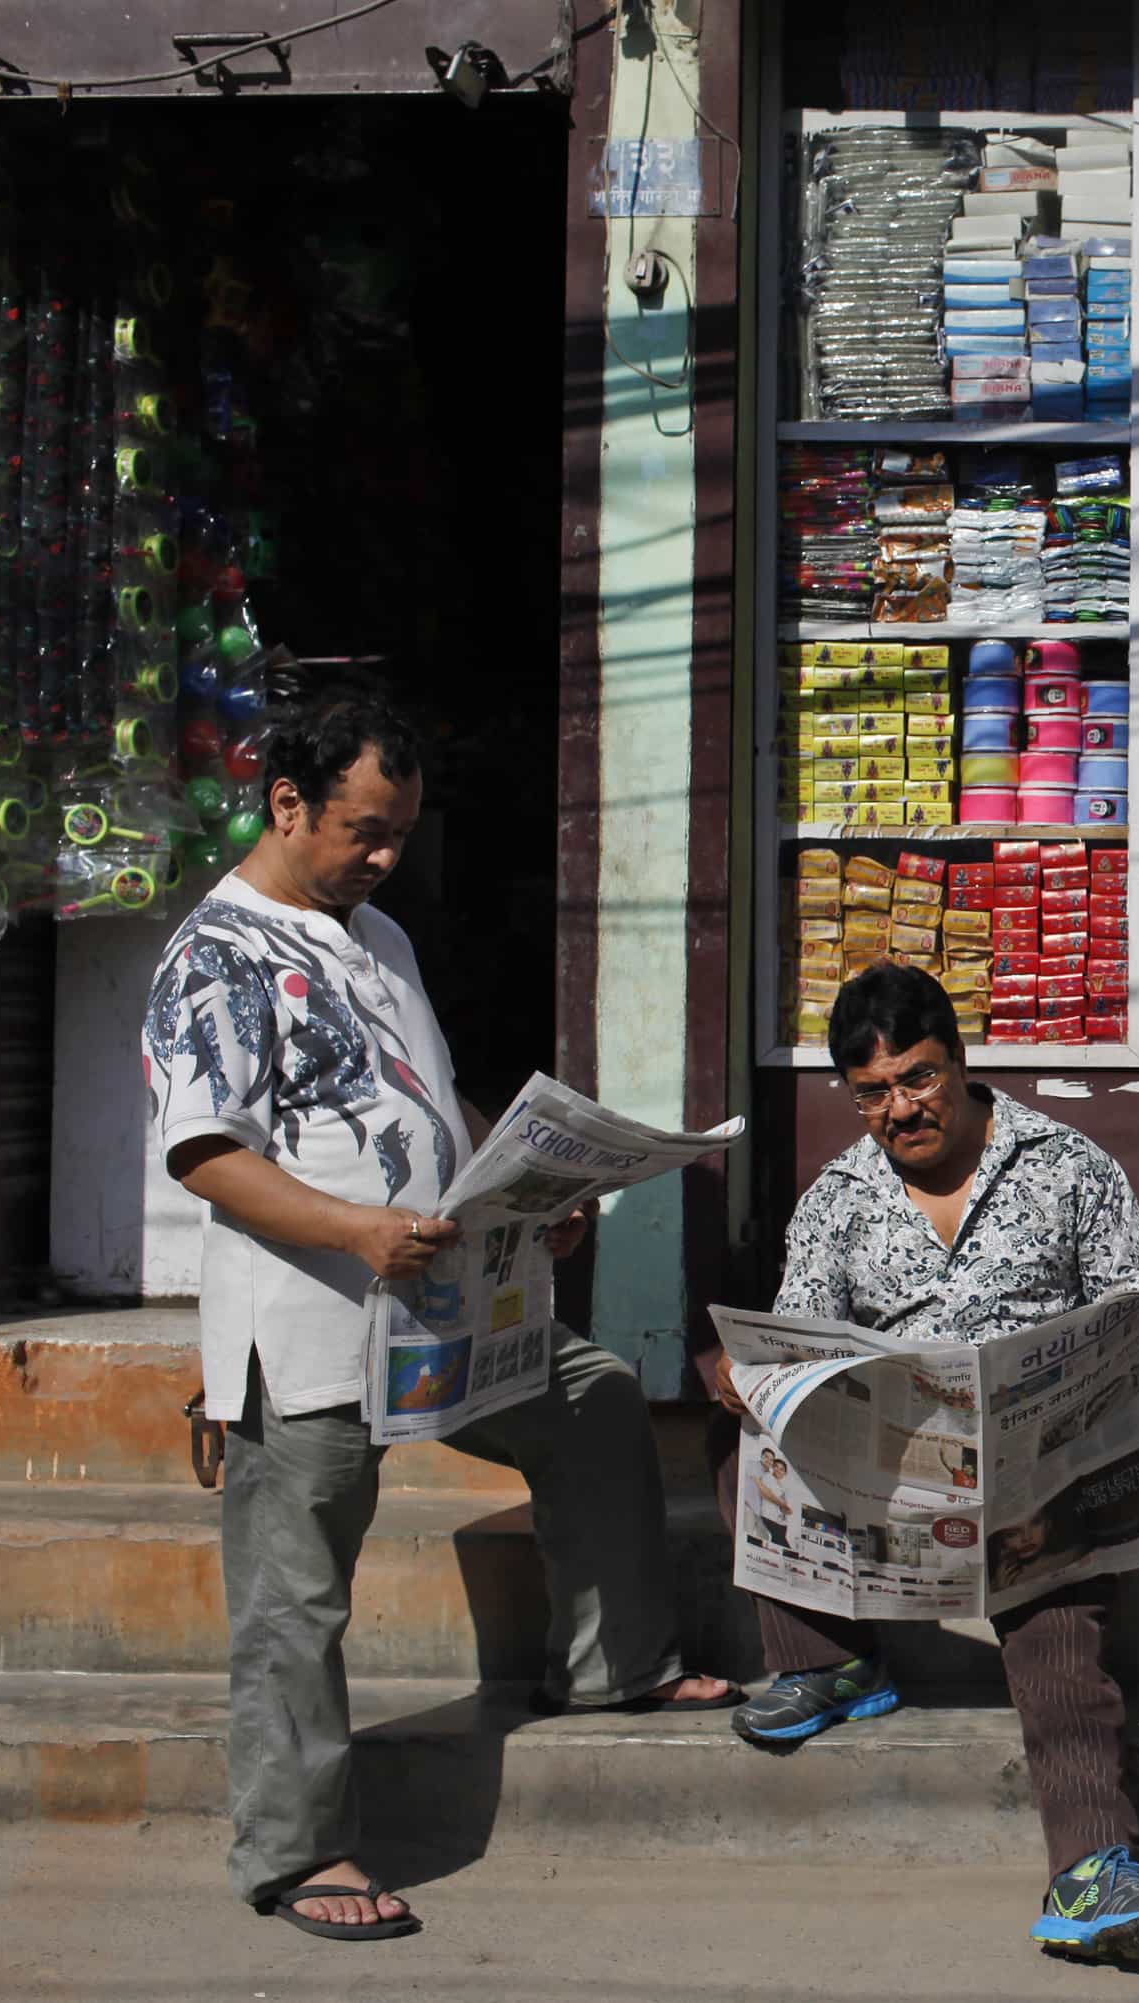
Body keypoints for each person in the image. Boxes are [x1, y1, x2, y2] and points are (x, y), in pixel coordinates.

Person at [144, 683, 737, 1946]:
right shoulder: (218, 953)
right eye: (364, 829)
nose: (386, 855)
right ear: (287, 802)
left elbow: (425, 1091)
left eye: (400, 831)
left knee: (594, 1400)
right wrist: (358, 1228)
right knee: (295, 1597)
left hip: (441, 1303)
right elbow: (205, 1154)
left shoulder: (378, 933)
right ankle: (295, 1850)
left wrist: (528, 1191)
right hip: (307, 1327)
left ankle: (609, 1662)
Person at [697, 961, 1139, 1964]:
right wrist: (748, 1375)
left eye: (918, 1079)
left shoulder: (1070, 1166)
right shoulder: (836, 1197)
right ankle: (828, 1659)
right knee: (742, 1437)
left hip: (1038, 1484)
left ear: (962, 1062)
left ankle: (1095, 1869)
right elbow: (799, 1341)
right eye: (873, 1092)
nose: (899, 1109)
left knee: (1057, 1641)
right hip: (896, 1485)